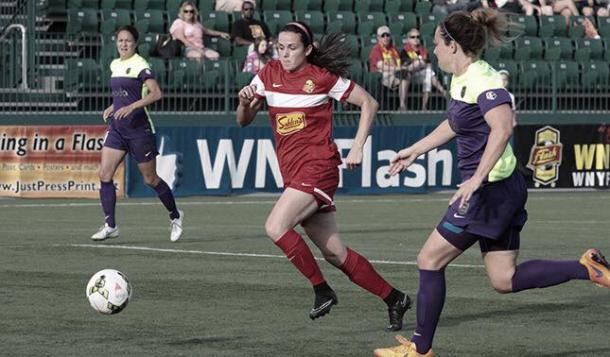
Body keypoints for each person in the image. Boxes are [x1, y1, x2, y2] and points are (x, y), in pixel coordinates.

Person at [374, 9, 610, 357]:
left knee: (429, 259)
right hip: (500, 190)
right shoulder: (462, 78)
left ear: (452, 45)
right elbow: (455, 124)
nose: (433, 49)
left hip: (488, 192)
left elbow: (503, 128)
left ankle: (419, 349)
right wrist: (415, 150)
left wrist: (476, 180)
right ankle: (587, 267)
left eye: (437, 43)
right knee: (504, 279)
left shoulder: (483, 80)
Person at [237, 21, 411, 330]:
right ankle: (394, 298)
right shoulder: (267, 75)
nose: (285, 54)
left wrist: (358, 147)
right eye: (281, 48)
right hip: (294, 173)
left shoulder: (322, 77)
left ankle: (321, 290)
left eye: (292, 48)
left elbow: (369, 103)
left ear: (307, 49)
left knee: (275, 226)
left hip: (319, 167)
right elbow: (244, 121)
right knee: (334, 253)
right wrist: (244, 101)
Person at [92, 25, 184, 243]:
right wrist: (113, 107)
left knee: (150, 179)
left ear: (135, 44)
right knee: (104, 174)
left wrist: (132, 107)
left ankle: (176, 215)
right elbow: (122, 95)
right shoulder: (115, 64)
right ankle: (110, 225)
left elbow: (156, 93)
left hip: (139, 130)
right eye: (120, 40)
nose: (123, 44)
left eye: (128, 41)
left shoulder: (140, 65)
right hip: (117, 129)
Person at [398, 28, 447, 111]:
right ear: (408, 39)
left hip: (420, 75)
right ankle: (443, 91)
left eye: (417, 37)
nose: (416, 39)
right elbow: (404, 67)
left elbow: (428, 65)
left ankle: (424, 106)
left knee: (429, 73)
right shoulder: (404, 51)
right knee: (419, 67)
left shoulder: (423, 50)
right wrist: (418, 64)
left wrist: (419, 64)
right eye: (412, 37)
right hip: (408, 76)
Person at [369, 26, 402, 94]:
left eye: (387, 35)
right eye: (383, 36)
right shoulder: (376, 50)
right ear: (378, 38)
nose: (385, 38)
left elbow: (398, 63)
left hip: (395, 73)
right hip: (380, 75)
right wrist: (396, 68)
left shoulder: (394, 49)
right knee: (401, 80)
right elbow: (381, 66)